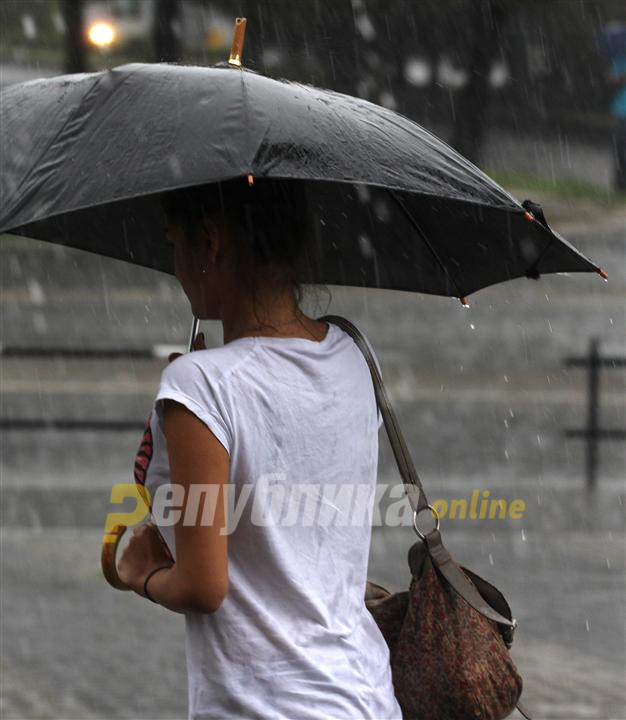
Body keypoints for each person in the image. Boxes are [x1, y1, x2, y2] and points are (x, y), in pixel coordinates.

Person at [117, 177, 402, 720]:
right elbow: (296, 527)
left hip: (264, 705)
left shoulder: (202, 386)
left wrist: (141, 575)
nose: (176, 265)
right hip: (365, 695)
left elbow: (202, 584)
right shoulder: (353, 355)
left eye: (174, 243)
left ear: (211, 241)